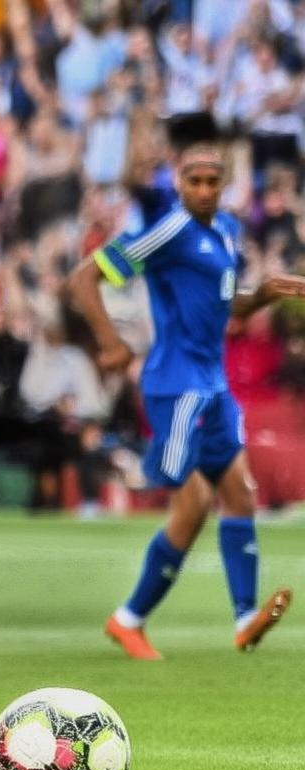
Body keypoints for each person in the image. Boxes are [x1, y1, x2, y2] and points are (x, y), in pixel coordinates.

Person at [67, 133, 302, 661]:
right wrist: (110, 342)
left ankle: (243, 618)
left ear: (224, 184)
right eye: (193, 181)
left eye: (212, 181)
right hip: (175, 386)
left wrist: (264, 294)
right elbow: (84, 279)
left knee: (240, 492)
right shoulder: (167, 231)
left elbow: (227, 306)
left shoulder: (226, 230)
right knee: (191, 502)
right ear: (179, 183)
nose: (203, 189)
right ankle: (129, 616)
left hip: (213, 385)